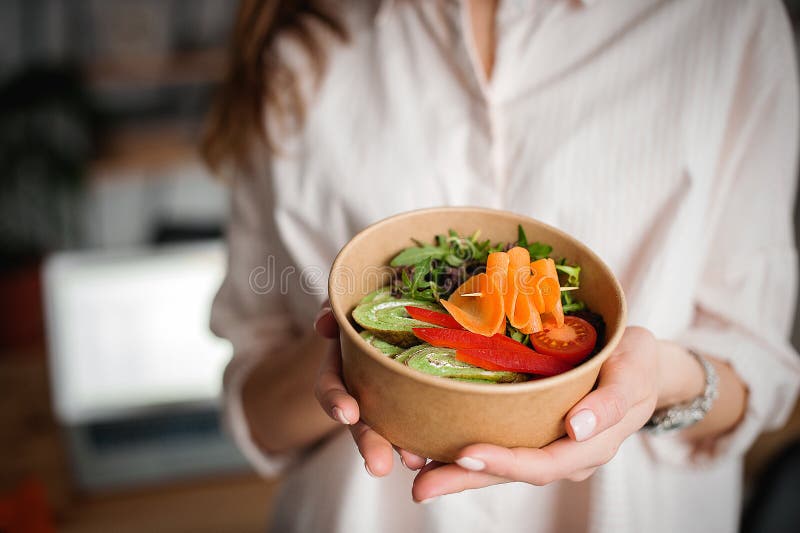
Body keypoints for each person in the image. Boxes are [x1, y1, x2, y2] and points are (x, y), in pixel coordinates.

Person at [204, 1, 800, 531]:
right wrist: (371, 357)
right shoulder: (302, 44)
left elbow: (759, 371)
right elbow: (252, 411)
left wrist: (656, 384)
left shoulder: (729, 18)